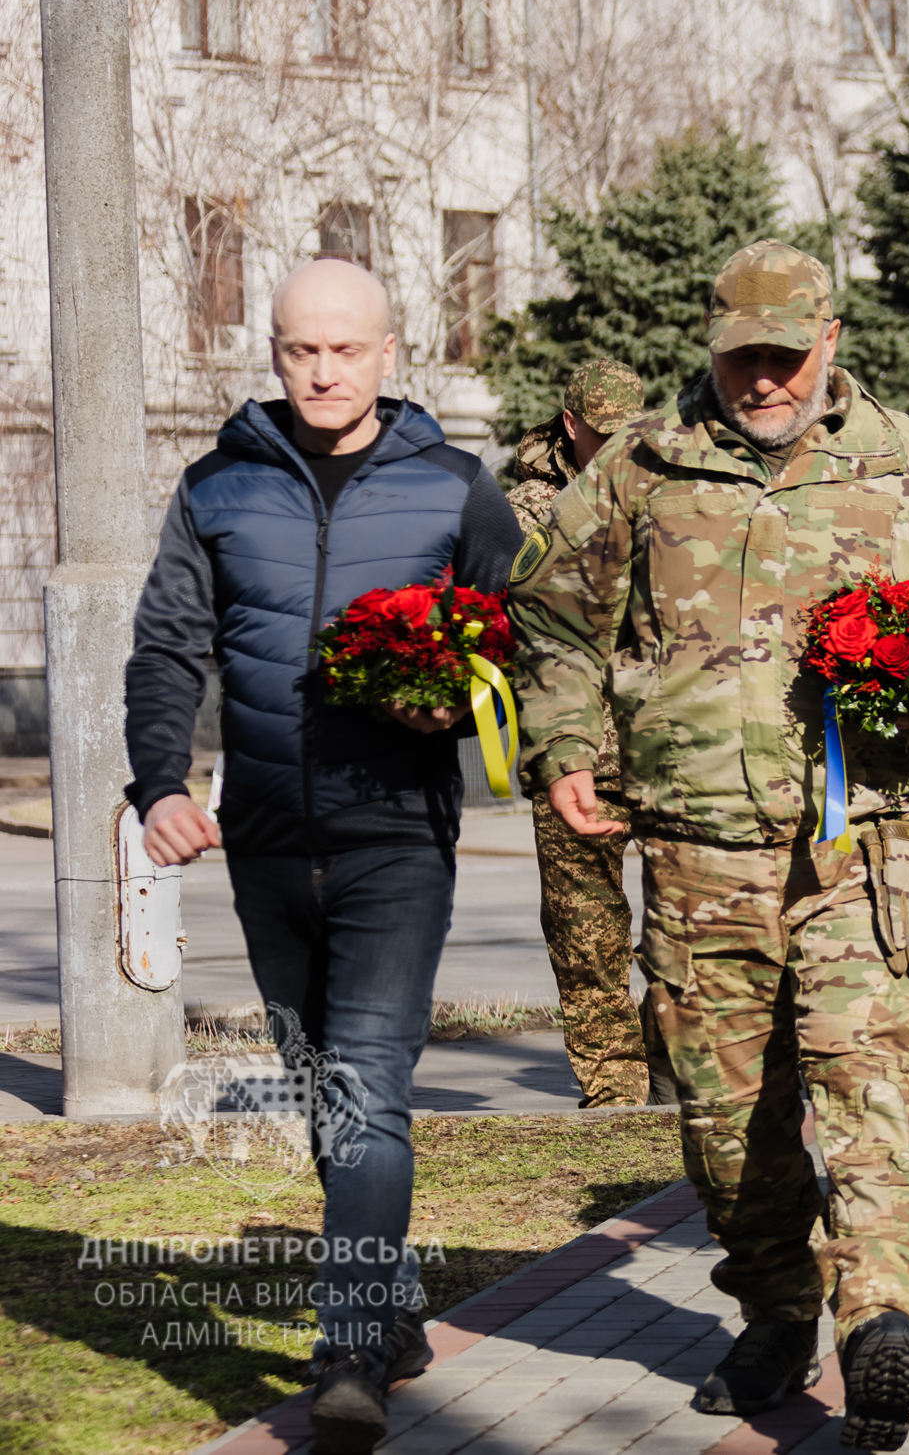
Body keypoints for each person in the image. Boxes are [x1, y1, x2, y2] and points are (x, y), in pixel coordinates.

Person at [508, 241, 909, 1450]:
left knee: (872, 1095)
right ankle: (776, 1310)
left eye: (784, 358)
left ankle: (884, 1323)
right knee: (725, 1124)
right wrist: (569, 747)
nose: (762, 382)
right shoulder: (642, 466)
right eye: (741, 358)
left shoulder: (905, 462)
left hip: (867, 849)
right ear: (712, 344)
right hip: (697, 858)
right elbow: (552, 621)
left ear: (829, 339)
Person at [125, 258, 523, 1455]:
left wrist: (451, 710)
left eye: (347, 349)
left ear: (389, 353)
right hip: (262, 840)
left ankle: (347, 1344)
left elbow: (516, 654)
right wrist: (156, 785)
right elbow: (164, 650)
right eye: (303, 349)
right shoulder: (214, 487)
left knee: (366, 1084)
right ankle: (392, 1308)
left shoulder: (459, 489)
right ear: (277, 351)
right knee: (321, 1087)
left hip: (395, 836)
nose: (325, 370)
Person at [503, 357, 669, 1109]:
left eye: (626, 436)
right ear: (570, 425)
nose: (614, 449)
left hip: (665, 747)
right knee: (586, 934)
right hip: (575, 751)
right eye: (602, 436)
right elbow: (534, 625)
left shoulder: (673, 492)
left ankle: (667, 1063)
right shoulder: (527, 510)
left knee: (685, 925)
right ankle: (615, 1091)